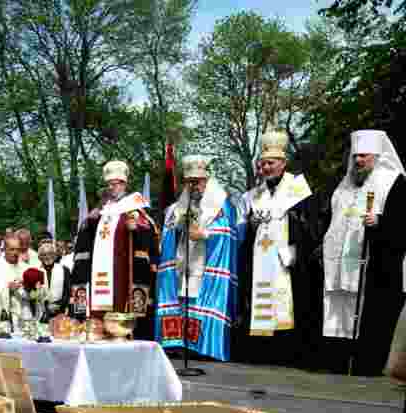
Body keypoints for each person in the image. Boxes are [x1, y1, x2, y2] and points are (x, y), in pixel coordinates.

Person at [239, 130, 327, 367]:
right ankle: (261, 352)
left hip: (287, 259)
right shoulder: (252, 196)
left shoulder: (298, 190)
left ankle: (288, 353)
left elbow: (311, 226)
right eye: (263, 163)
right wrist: (251, 226)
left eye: (272, 162)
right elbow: (244, 231)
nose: (267, 167)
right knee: (260, 303)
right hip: (259, 260)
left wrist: (296, 249)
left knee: (288, 303)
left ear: (283, 163)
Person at [322, 130, 406, 376]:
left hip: (374, 266)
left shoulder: (394, 181)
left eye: (364, 156)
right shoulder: (345, 184)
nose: (358, 161)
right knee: (339, 315)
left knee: (372, 319)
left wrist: (380, 222)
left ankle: (366, 366)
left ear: (377, 156)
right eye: (356, 155)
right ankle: (336, 362)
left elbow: (402, 224)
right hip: (340, 266)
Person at [156, 155, 240, 361]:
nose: (194, 185)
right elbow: (168, 233)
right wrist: (177, 231)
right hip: (183, 260)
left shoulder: (221, 204)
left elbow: (229, 233)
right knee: (183, 301)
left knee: (199, 302)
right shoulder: (177, 207)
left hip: (206, 262)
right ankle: (179, 344)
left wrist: (206, 235)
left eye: (198, 181)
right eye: (190, 181)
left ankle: (202, 346)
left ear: (207, 179)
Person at [71, 160, 155, 319]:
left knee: (121, 304)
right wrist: (90, 222)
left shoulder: (133, 205)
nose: (111, 188)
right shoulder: (103, 207)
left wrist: (136, 229)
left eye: (115, 184)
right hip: (99, 272)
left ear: (124, 184)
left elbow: (149, 230)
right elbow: (87, 236)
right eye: (108, 184)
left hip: (121, 271)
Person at [0, 235, 32, 329]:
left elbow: (33, 293)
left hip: (24, 313)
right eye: (12, 249)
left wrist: (28, 288)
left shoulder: (26, 268)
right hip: (4, 315)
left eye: (18, 249)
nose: (15, 253)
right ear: (5, 249)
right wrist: (8, 289)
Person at [38, 241, 69, 316]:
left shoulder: (64, 270)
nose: (47, 257)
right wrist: (46, 307)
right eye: (44, 255)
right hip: (41, 311)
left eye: (50, 254)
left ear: (55, 256)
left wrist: (58, 305)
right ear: (40, 257)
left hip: (60, 310)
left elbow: (67, 291)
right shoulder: (37, 271)